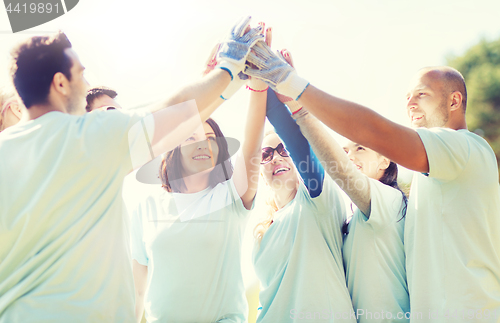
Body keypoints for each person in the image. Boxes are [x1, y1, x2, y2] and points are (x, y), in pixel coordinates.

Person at [0, 16, 263, 322]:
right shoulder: (92, 135)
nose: (87, 86)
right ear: (60, 83)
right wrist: (229, 67)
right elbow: (174, 109)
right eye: (81, 75)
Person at [246, 41, 500, 322]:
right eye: (407, 97)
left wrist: (293, 91)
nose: (410, 103)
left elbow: (365, 140)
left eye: (421, 94)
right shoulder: (424, 186)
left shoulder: (463, 148)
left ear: (454, 101)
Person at [130, 24, 269, 323]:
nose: (202, 145)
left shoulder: (231, 196)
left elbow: (252, 144)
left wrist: (258, 85)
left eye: (209, 138)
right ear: (173, 149)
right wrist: (208, 81)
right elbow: (137, 291)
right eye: (191, 138)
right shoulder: (147, 207)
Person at [247, 38, 354, 323]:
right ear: (259, 167)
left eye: (283, 150)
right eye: (267, 154)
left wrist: (263, 71)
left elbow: (297, 139)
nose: (277, 157)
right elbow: (270, 295)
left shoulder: (318, 199)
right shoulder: (260, 230)